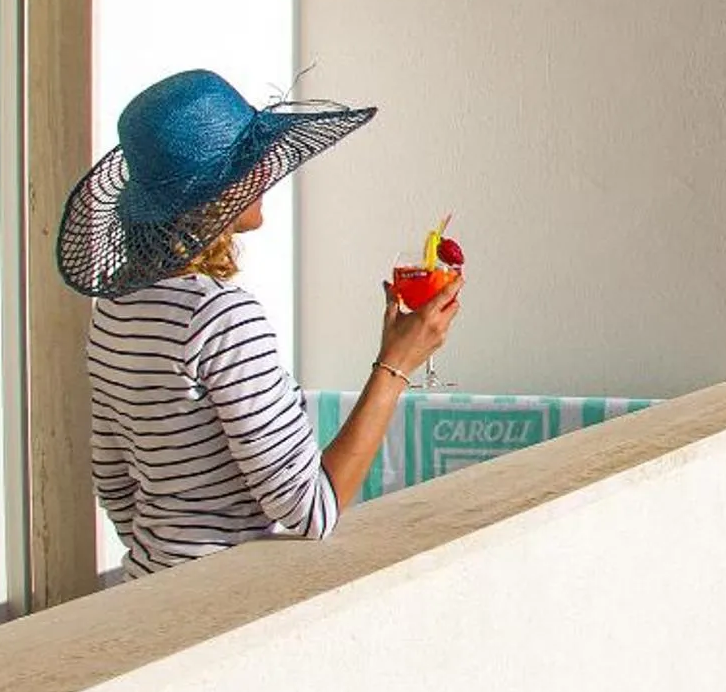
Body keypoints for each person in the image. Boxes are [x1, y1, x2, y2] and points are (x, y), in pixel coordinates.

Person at [57, 69, 460, 575]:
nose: (267, 168)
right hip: (220, 612)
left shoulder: (117, 307)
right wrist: (396, 363)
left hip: (149, 592)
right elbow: (311, 510)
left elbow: (115, 485)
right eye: (252, 160)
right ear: (218, 193)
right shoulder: (221, 316)